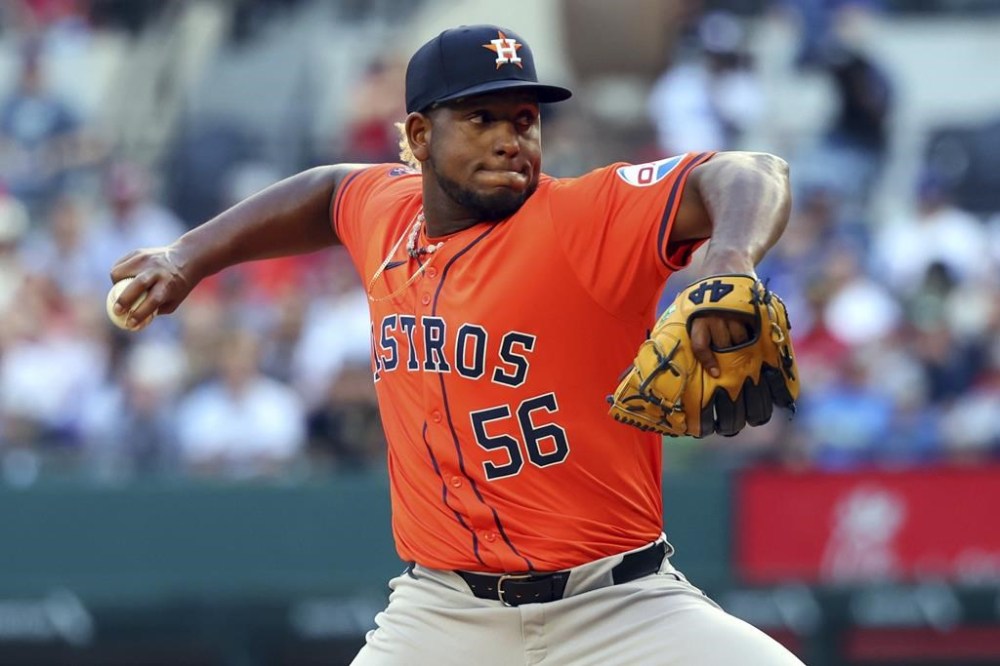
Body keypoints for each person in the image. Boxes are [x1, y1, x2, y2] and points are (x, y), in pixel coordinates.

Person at [110, 24, 803, 666]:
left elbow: (751, 170)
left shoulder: (581, 218)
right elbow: (326, 192)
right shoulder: (388, 211)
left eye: (525, 120)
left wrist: (731, 257)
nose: (512, 139)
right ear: (418, 135)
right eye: (482, 119)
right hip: (442, 614)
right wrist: (190, 253)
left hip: (618, 605)